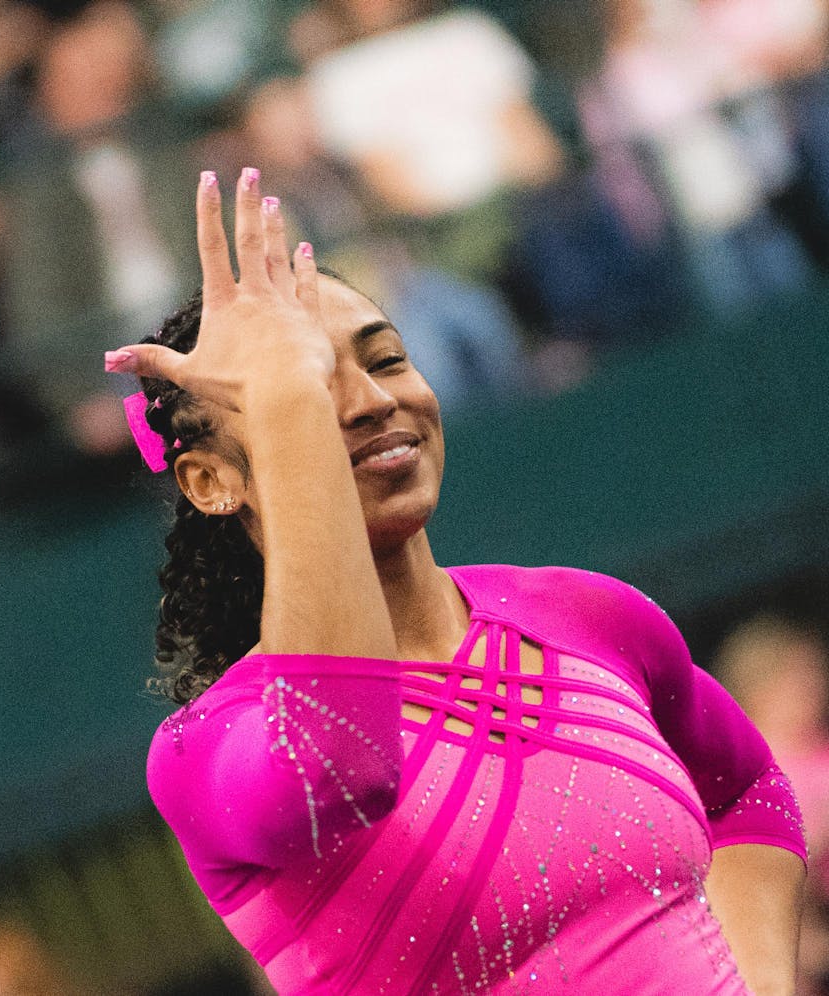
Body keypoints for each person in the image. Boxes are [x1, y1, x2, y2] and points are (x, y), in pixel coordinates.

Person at [105, 168, 807, 993]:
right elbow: (343, 762)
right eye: (315, 386)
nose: (372, 401)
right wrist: (289, 409)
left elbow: (746, 790)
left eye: (386, 360)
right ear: (211, 480)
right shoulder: (204, 749)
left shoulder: (584, 614)